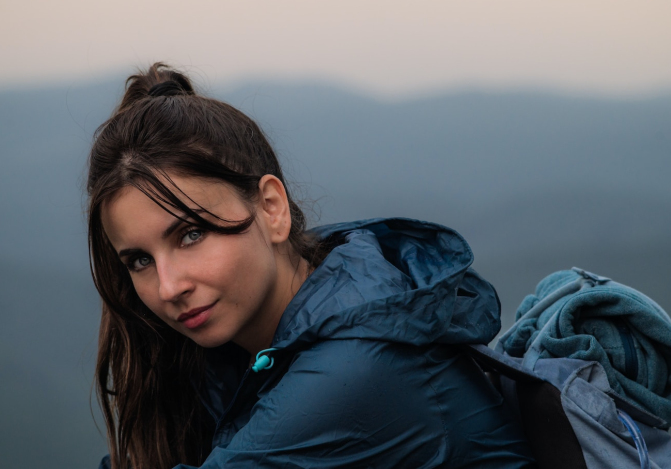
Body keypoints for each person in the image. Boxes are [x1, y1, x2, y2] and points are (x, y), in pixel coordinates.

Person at [88, 63, 535, 469]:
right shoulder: (244, 347)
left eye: (191, 234)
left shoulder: (356, 368)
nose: (168, 287)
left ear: (272, 208)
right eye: (140, 260)